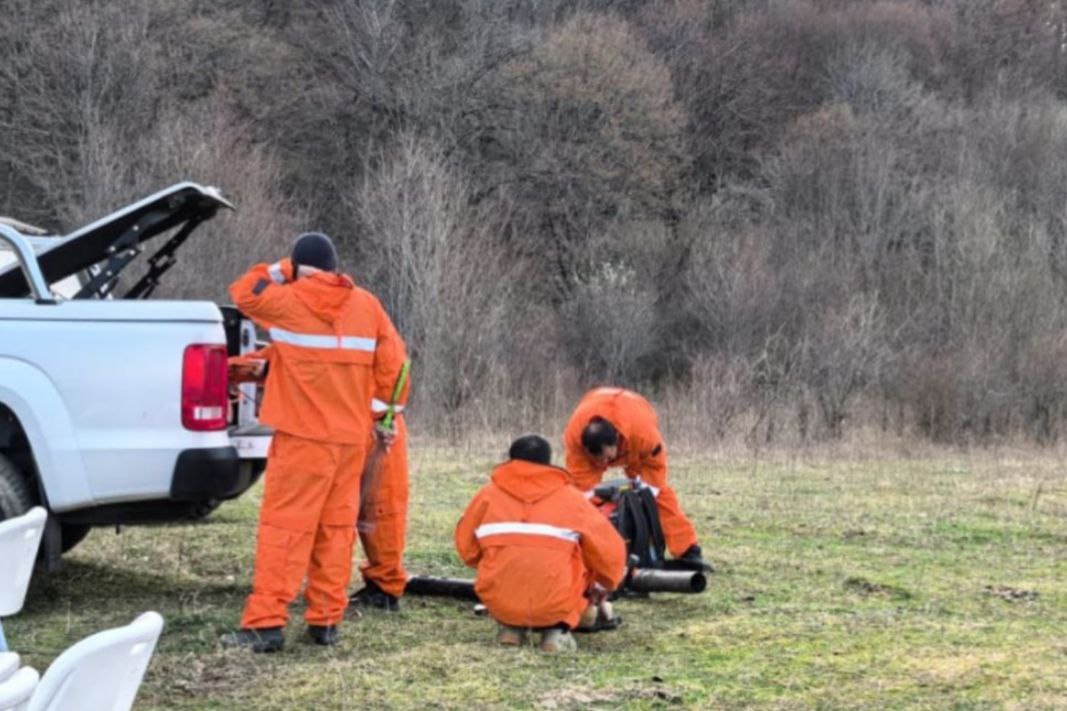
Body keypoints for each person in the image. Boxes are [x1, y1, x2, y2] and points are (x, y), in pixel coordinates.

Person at [220, 232, 408, 653]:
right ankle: (325, 621)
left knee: (285, 530)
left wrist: (282, 270)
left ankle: (265, 625)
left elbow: (243, 291)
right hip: (350, 440)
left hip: (303, 440)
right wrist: (383, 414)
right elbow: (396, 366)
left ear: (300, 267)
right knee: (336, 531)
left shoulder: (288, 302)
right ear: (335, 266)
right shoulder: (367, 305)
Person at [454, 435, 626, 653]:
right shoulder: (571, 499)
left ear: (511, 460)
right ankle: (556, 633)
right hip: (556, 604)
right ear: (548, 463)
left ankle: (511, 629)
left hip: (500, 603)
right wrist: (604, 584)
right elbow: (611, 551)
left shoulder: (486, 496)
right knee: (583, 564)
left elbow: (467, 551)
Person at [564, 387, 708, 569]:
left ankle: (688, 551)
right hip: (595, 408)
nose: (605, 463)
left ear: (616, 440)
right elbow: (581, 492)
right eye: (599, 459)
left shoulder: (643, 436)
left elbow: (656, 469)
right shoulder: (574, 439)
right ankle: (580, 547)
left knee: (657, 496)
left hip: (637, 431)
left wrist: (642, 499)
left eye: (608, 458)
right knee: (582, 500)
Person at [349, 406, 410, 611]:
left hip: (378, 421)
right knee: (333, 510)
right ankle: (325, 588)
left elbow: (391, 382)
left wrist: (384, 415)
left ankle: (384, 586)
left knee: (380, 505)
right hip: (347, 416)